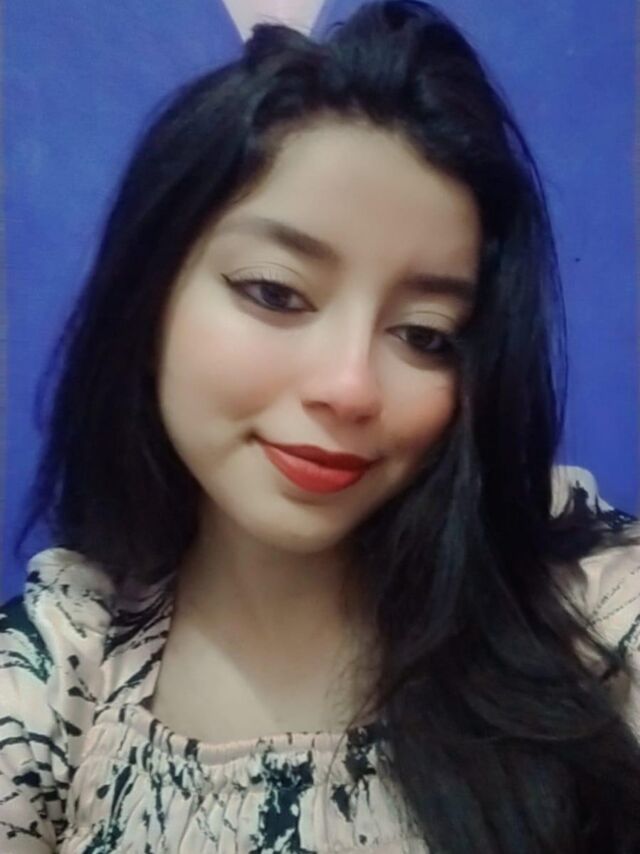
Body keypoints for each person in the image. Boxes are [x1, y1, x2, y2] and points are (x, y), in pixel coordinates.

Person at [1, 1, 639, 851]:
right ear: (149, 299)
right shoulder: (53, 679)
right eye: (275, 292)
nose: (349, 388)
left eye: (426, 336)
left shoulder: (583, 606)